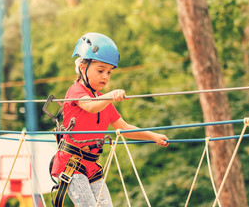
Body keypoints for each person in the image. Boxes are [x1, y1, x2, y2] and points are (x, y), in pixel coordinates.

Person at [50, 32, 169, 207]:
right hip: (71, 164)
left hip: (91, 166)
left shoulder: (104, 101)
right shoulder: (76, 91)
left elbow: (125, 127)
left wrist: (153, 136)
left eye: (109, 72)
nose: (105, 76)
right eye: (100, 71)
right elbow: (90, 106)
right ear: (83, 68)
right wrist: (111, 96)